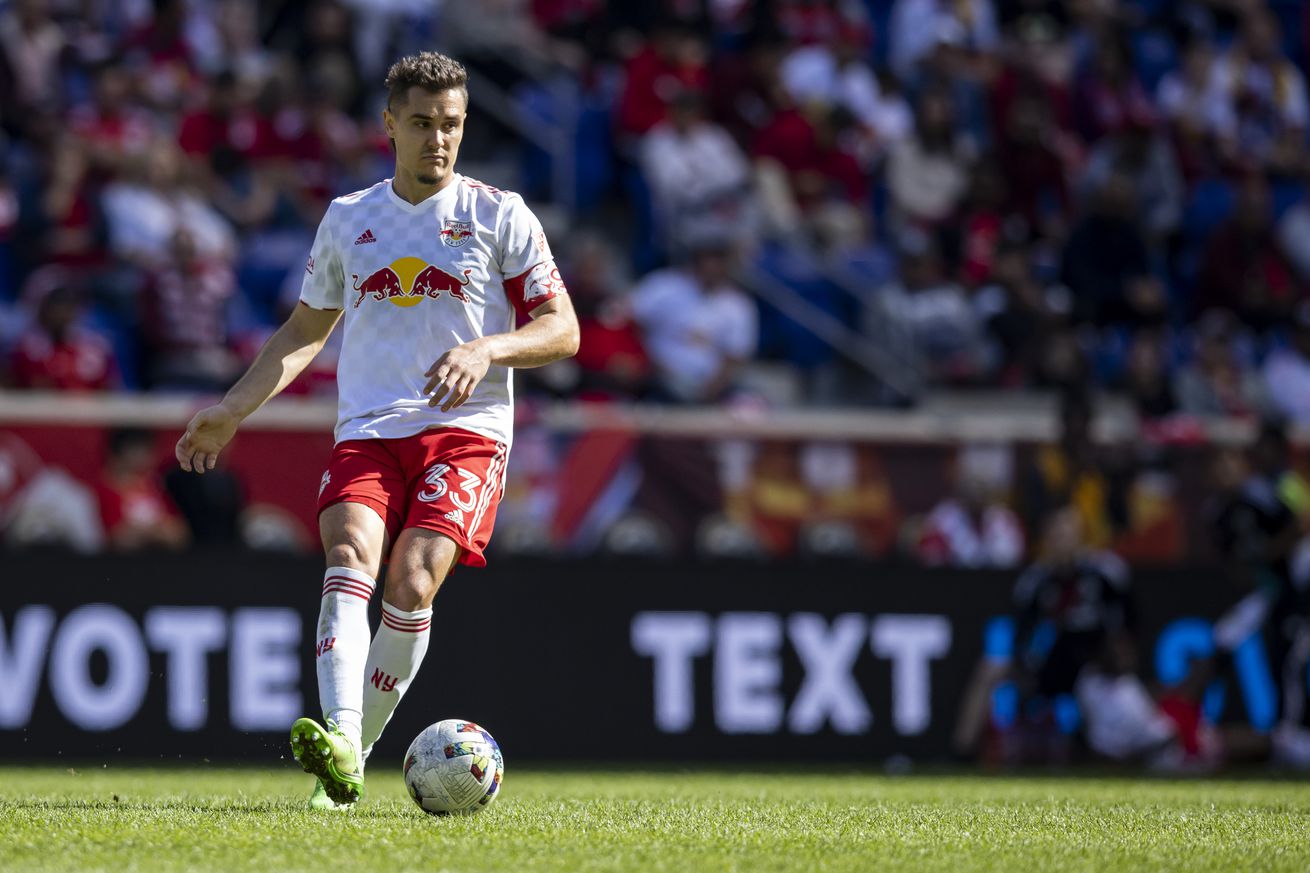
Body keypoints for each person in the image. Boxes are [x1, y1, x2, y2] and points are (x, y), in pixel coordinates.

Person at [173, 52, 579, 810]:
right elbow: (304, 327)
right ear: (389, 123)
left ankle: (350, 752)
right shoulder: (348, 219)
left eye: (451, 125)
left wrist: (489, 346)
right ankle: (345, 748)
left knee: (414, 577)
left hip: (467, 429)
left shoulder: (501, 213)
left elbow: (563, 329)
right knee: (350, 552)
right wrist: (232, 408)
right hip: (368, 429)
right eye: (422, 123)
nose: (438, 140)